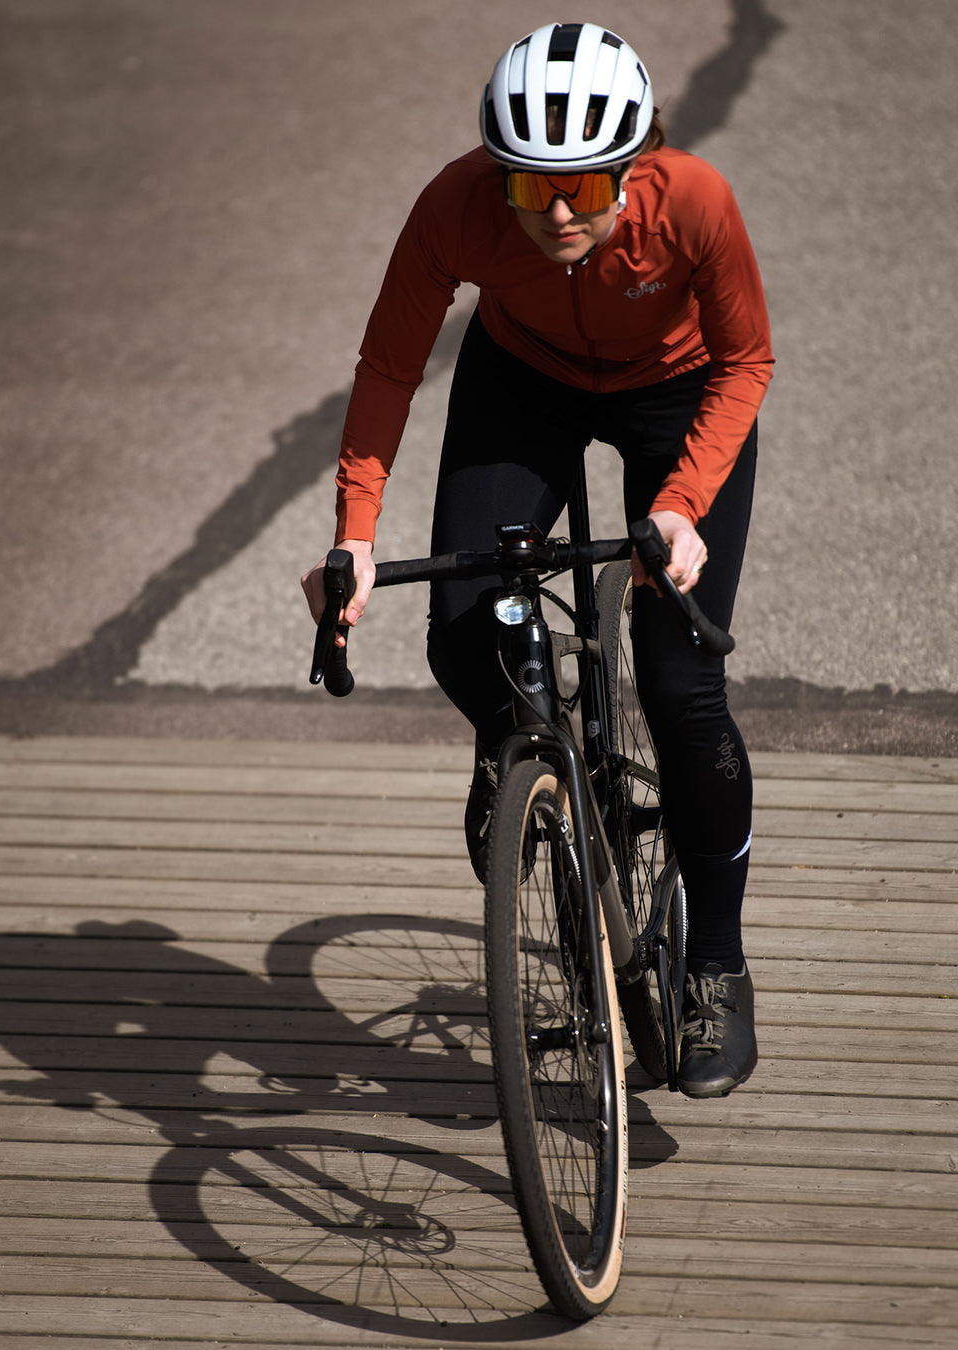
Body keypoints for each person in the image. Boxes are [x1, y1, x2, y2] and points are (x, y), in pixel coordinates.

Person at [301, 22, 773, 1098]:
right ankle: (519, 742)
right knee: (468, 638)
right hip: (525, 383)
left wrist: (685, 506)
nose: (558, 215)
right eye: (529, 191)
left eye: (585, 190)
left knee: (681, 685)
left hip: (679, 396)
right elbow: (387, 365)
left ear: (636, 163)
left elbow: (748, 359)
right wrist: (353, 536)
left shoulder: (693, 200)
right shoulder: (453, 208)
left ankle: (716, 967)